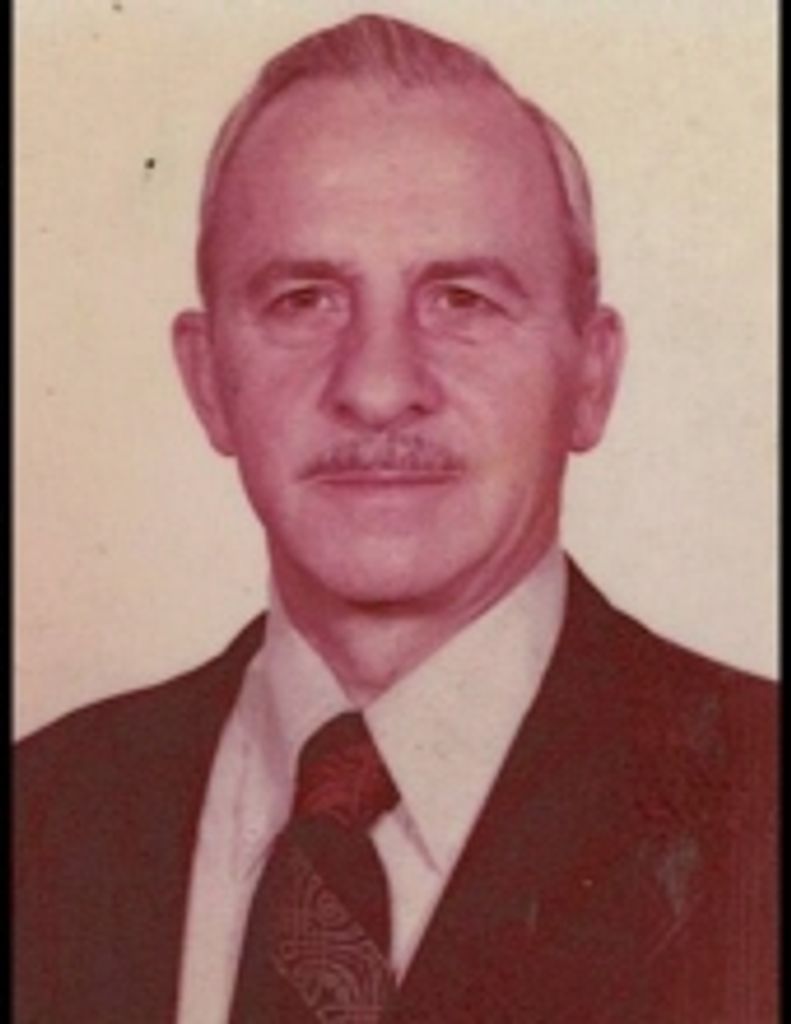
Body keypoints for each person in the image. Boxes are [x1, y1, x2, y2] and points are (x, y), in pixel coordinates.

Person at [14, 14, 777, 1024]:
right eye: (303, 299)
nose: (376, 387)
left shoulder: (758, 807)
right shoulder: (41, 815)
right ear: (206, 380)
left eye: (461, 299)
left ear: (590, 378)